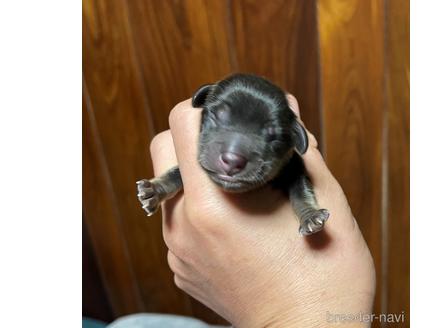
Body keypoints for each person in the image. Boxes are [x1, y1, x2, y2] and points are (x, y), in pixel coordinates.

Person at [116, 95, 375, 328]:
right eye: (219, 118)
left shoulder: (291, 163)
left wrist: (284, 317)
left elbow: (300, 183)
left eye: (271, 136)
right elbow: (183, 173)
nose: (232, 155)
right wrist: (160, 188)